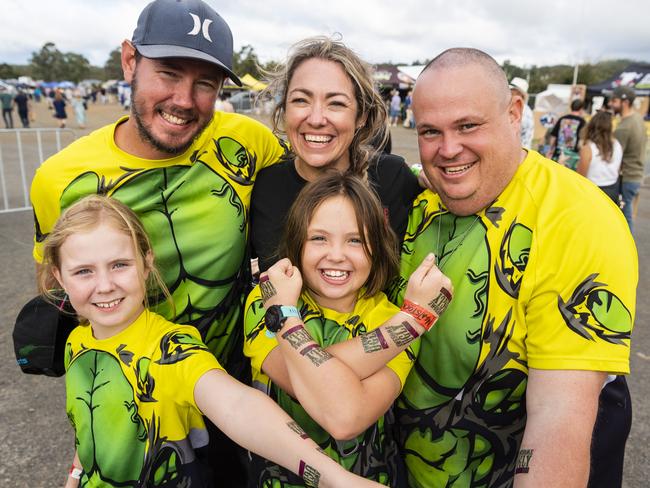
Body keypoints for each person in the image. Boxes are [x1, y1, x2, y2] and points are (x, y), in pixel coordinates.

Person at [29, 0, 287, 485]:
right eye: (168, 73)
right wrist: (90, 435)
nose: (185, 100)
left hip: (235, 387)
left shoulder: (249, 143)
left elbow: (319, 177)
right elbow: (62, 292)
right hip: (140, 406)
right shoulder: (58, 180)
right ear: (129, 60)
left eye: (205, 84)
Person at [388, 48, 637, 488]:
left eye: (468, 126)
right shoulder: (418, 197)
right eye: (430, 131)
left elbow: (559, 419)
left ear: (514, 112)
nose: (448, 150)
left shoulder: (575, 217)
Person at [39, 195, 383, 488]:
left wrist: (335, 478)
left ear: (146, 266)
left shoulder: (173, 349)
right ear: (59, 276)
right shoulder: (78, 341)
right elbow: (90, 427)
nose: (104, 286)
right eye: (84, 271)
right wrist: (74, 476)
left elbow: (238, 407)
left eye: (119, 265)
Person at [244, 173, 453, 486]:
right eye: (319, 238)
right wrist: (413, 321)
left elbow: (347, 417)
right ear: (297, 241)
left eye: (355, 240)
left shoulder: (387, 315)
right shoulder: (267, 299)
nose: (337, 255)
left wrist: (284, 319)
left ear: (377, 247)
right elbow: (333, 405)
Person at [250, 36, 420, 273]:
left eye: (336, 103)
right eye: (301, 100)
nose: (317, 119)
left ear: (361, 116)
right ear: (284, 109)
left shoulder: (393, 178)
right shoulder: (261, 187)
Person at [610, 85, 648, 233]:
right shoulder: (638, 118)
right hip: (636, 175)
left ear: (624, 102)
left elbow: (615, 158)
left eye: (614, 100)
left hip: (627, 177)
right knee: (627, 213)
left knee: (624, 216)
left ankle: (626, 249)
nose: (611, 104)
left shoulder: (624, 127)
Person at [577, 111, 622, 203]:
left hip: (593, 191)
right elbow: (617, 169)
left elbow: (580, 177)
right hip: (612, 189)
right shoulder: (617, 144)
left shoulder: (588, 148)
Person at [546, 98, 586, 168]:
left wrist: (550, 149)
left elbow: (554, 136)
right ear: (581, 109)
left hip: (558, 152)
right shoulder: (582, 121)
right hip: (572, 155)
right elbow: (581, 140)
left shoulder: (562, 119)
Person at [510, 77, 534, 149]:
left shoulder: (524, 111)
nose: (510, 94)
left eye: (512, 92)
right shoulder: (513, 107)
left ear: (520, 95)